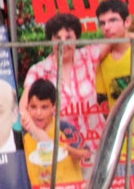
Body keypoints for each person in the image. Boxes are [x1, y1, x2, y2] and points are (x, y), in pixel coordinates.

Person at [19, 13, 106, 160]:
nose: (63, 43)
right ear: (50, 40)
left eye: (68, 38)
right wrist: (44, 138)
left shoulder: (88, 56)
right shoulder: (39, 70)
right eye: (57, 38)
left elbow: (120, 38)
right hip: (61, 153)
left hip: (97, 148)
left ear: (77, 38)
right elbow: (22, 110)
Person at [91, 0, 134, 173]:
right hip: (118, 150)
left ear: (127, 22)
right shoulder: (101, 61)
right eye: (102, 23)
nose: (107, 27)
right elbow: (103, 104)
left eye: (113, 20)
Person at [21, 79, 90, 187]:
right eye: (33, 107)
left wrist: (70, 151)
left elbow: (86, 154)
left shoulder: (64, 128)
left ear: (54, 108)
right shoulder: (24, 137)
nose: (38, 113)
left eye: (44, 107)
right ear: (27, 108)